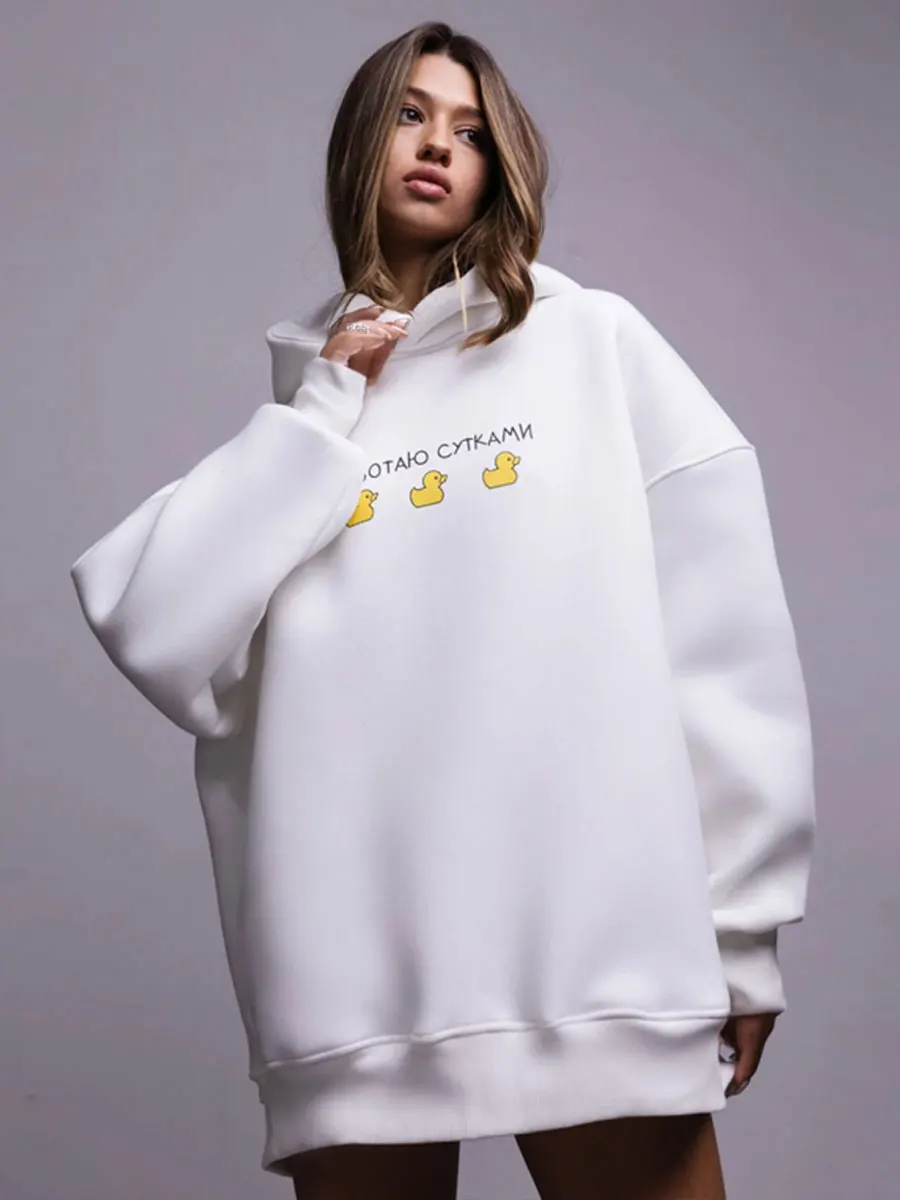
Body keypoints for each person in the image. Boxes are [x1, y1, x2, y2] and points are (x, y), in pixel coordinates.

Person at [69, 21, 816, 1200]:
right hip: (353, 1002)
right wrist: (322, 410)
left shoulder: (592, 343)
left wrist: (741, 935)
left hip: (598, 968)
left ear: (499, 167)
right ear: (361, 141)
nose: (437, 146)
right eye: (412, 115)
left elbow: (723, 644)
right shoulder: (306, 409)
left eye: (470, 130)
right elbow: (156, 627)